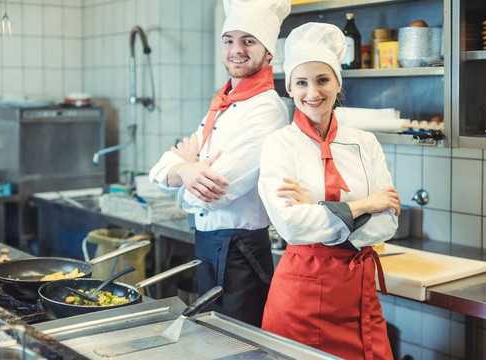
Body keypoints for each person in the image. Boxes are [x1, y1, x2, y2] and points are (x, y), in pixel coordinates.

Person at [258, 22, 401, 359]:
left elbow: (388, 222)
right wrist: (363, 205)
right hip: (300, 302)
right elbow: (291, 226)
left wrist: (317, 211)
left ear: (338, 82)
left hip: (360, 297)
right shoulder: (279, 145)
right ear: (289, 88)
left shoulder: (365, 143)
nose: (313, 93)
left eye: (322, 80)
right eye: (301, 82)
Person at [149, 0, 291, 327]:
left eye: (248, 41)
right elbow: (163, 168)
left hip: (239, 253)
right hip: (208, 245)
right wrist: (184, 169)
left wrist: (185, 171)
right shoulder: (224, 102)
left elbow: (213, 191)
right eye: (229, 40)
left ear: (269, 52)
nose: (236, 50)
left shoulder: (267, 108)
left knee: (236, 346)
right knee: (209, 338)